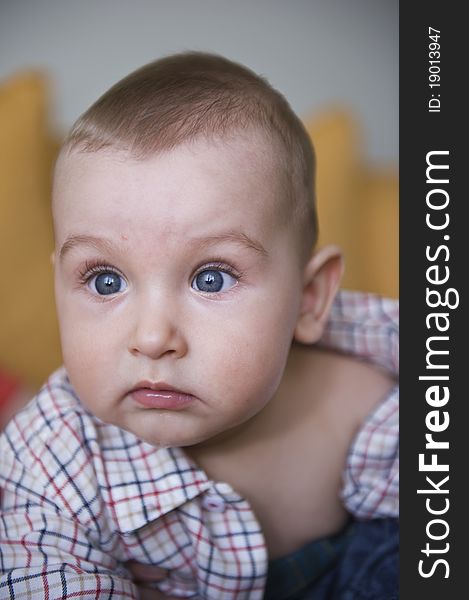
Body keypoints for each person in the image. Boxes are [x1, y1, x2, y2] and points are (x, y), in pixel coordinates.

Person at [0, 52, 398, 599]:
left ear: (309, 300)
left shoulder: (367, 395)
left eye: (211, 279)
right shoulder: (50, 459)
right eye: (105, 281)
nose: (152, 337)